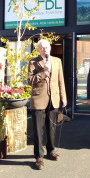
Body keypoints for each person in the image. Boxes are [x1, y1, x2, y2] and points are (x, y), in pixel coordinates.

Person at [28, 39, 67, 170]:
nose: (45, 49)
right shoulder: (33, 62)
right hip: (39, 100)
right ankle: (39, 156)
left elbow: (61, 80)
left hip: (54, 99)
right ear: (38, 50)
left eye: (47, 47)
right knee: (38, 130)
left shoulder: (57, 61)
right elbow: (30, 80)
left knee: (52, 127)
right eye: (42, 47)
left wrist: (64, 97)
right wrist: (44, 72)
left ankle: (51, 150)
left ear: (50, 48)